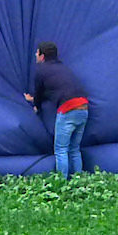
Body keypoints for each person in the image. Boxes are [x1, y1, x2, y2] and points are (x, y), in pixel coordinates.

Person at [23, 42, 89, 178]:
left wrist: (36, 106)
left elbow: (40, 92)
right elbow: (54, 89)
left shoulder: (41, 70)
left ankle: (62, 182)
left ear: (42, 56)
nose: (35, 55)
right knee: (74, 149)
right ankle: (79, 180)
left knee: (60, 149)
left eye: (37, 53)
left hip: (68, 108)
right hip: (83, 107)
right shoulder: (63, 68)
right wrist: (34, 98)